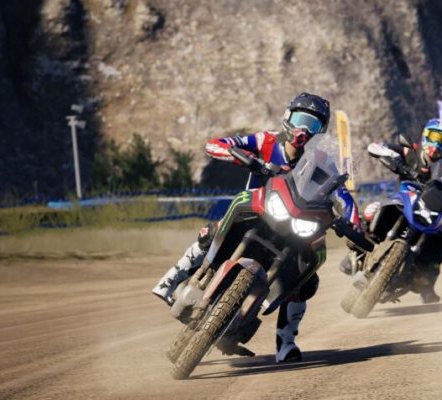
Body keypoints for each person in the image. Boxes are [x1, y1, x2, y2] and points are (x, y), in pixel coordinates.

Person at [152, 92, 361, 362]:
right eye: (300, 119)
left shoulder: (323, 161)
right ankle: (169, 282)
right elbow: (215, 145)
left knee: (306, 282)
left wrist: (352, 222)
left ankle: (286, 343)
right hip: (255, 208)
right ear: (287, 117)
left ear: (321, 131)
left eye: (313, 125)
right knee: (210, 234)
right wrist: (237, 154)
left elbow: (341, 193)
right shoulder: (266, 140)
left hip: (294, 226)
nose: (303, 130)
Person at [340, 118, 442, 304]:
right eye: (434, 137)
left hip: (433, 210)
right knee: (371, 210)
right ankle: (355, 251)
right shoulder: (410, 151)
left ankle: (426, 285)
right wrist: (394, 160)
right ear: (425, 135)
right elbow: (374, 147)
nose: (437, 144)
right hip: (403, 198)